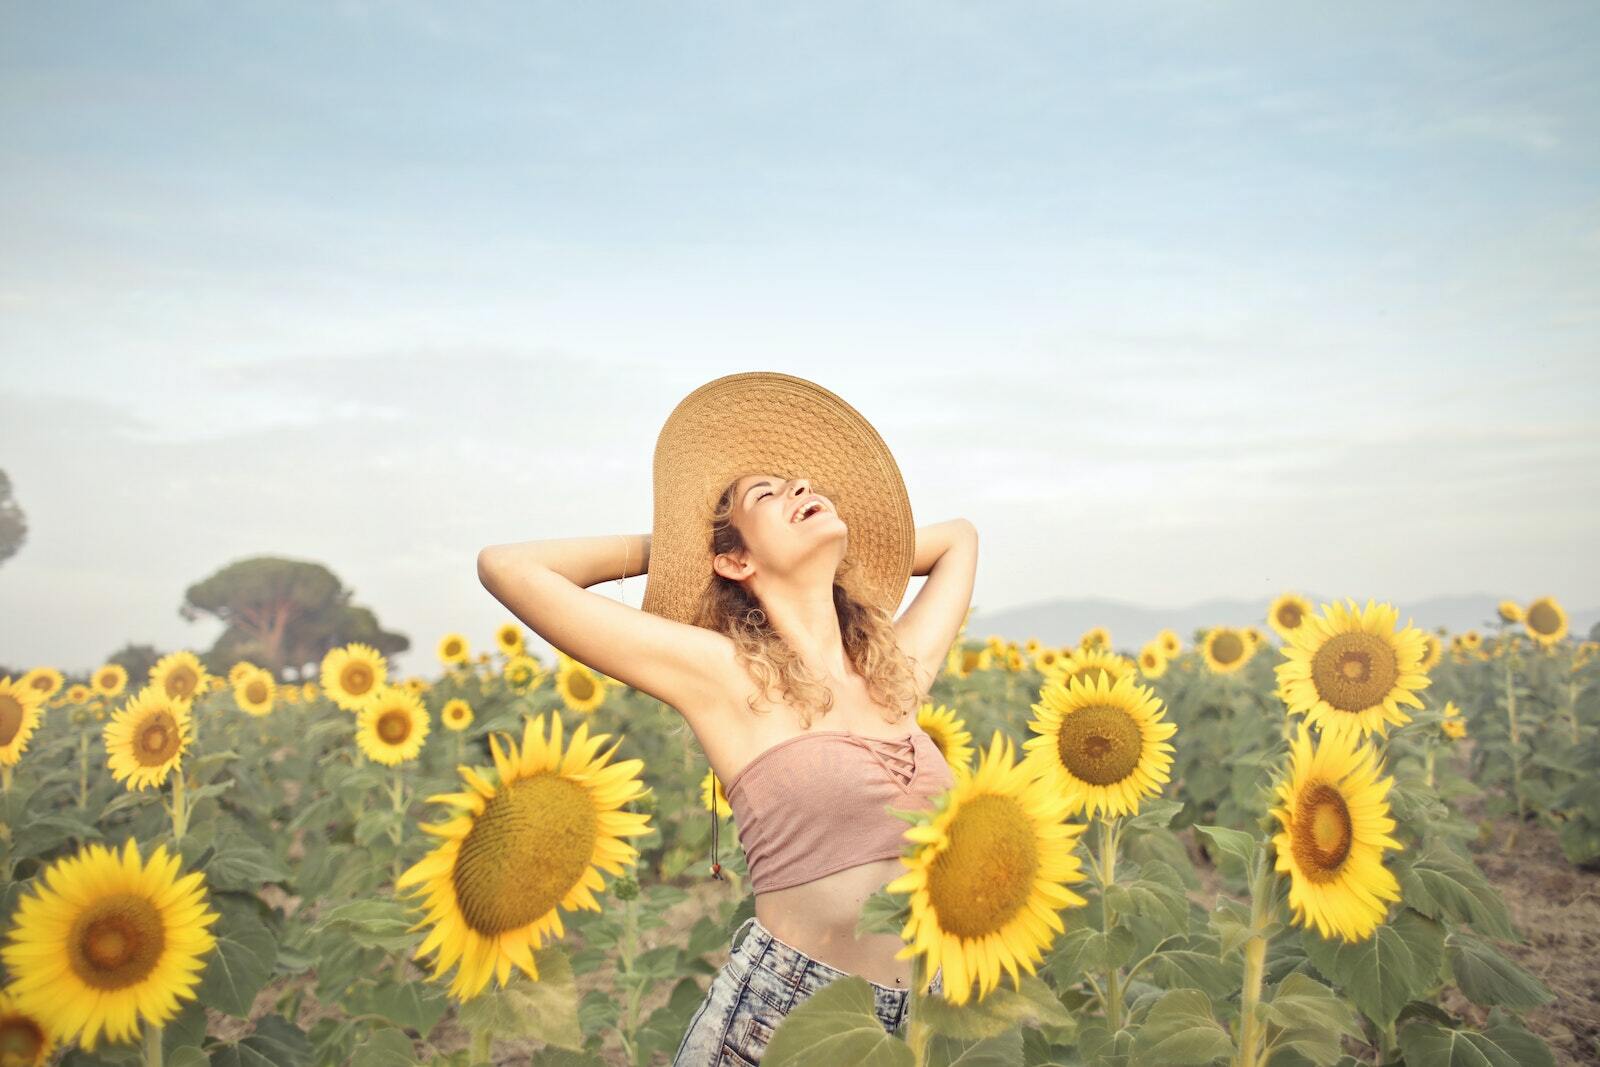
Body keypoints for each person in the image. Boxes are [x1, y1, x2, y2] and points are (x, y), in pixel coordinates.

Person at [476, 372, 979, 1065]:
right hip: (785, 1017)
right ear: (735, 557)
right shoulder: (723, 674)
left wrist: (847, 544)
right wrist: (678, 552)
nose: (801, 489)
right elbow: (509, 566)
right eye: (768, 493)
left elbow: (959, 539)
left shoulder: (893, 675)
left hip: (924, 1020)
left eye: (805, 485)